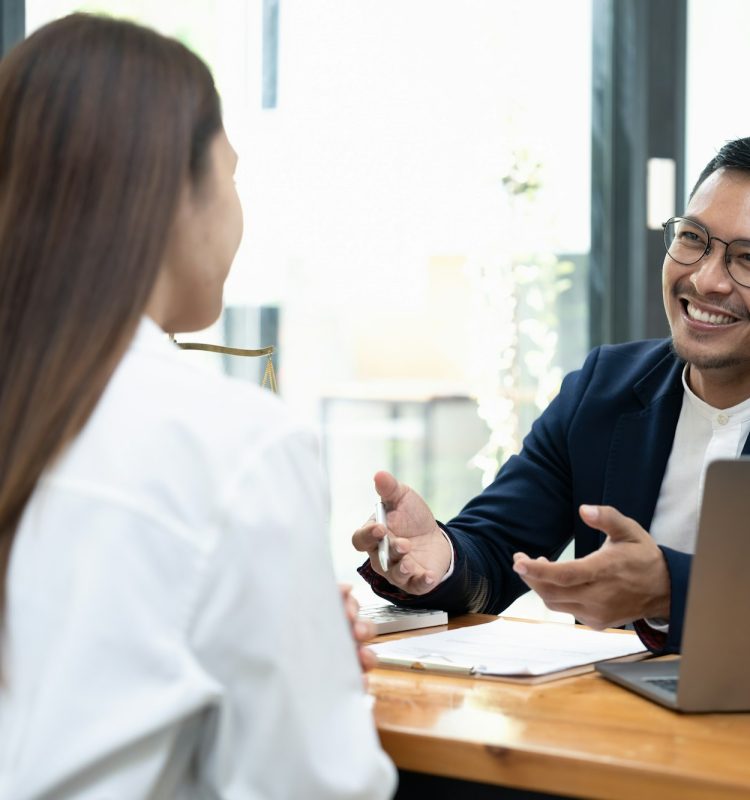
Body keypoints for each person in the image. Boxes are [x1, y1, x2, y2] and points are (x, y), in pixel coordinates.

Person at [0, 14, 395, 800]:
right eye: (233, 172)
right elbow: (311, 785)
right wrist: (318, 677)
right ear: (172, 194)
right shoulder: (233, 444)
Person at [354, 135, 750, 657]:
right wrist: (438, 557)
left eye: (746, 259)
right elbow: (494, 553)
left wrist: (672, 590)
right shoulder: (603, 389)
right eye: (694, 238)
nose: (704, 278)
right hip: (608, 722)